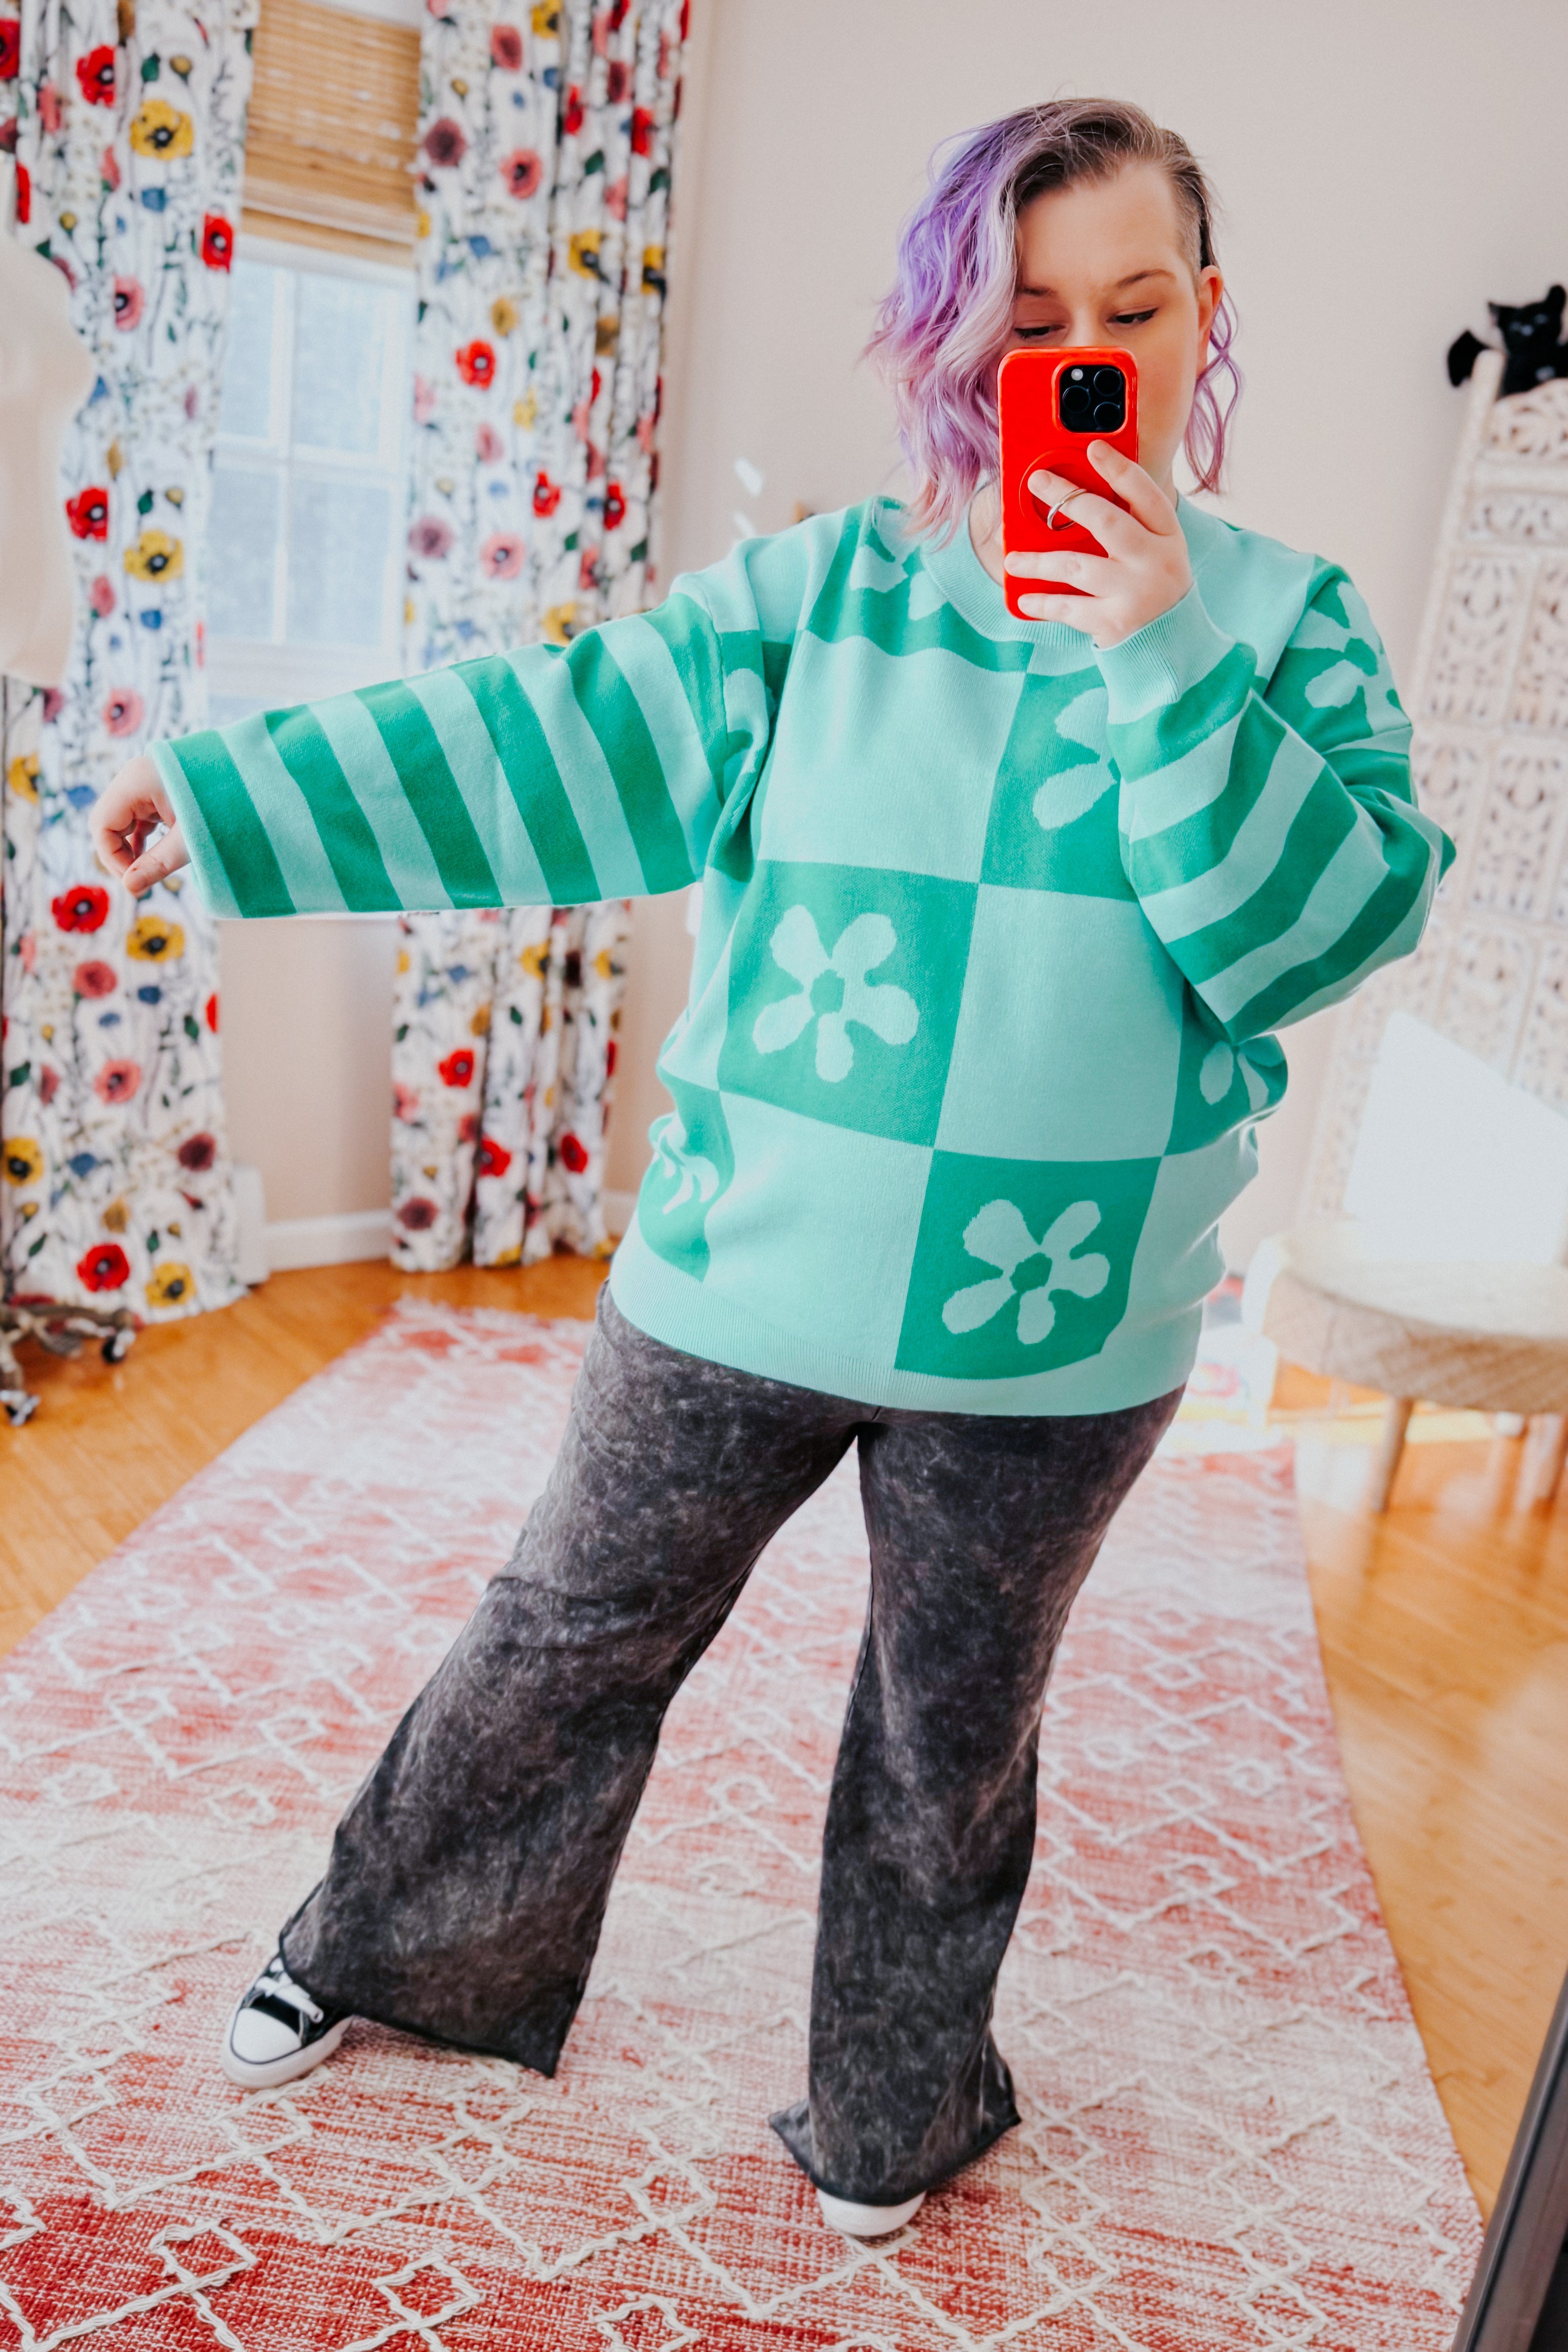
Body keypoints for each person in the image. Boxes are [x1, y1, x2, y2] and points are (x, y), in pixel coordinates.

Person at [93, 98, 1450, 2240]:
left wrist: (1157, 643)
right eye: (1022, 322)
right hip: (745, 1271)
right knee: (558, 1634)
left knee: (949, 1735)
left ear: (1205, 322)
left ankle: (897, 2102)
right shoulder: (828, 592)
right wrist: (239, 788)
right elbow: (563, 737)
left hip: (1061, 1333)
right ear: (952, 340)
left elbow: (1317, 932)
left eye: (1129, 306)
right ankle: (385, 1949)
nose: (1074, 357)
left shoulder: (1282, 628)